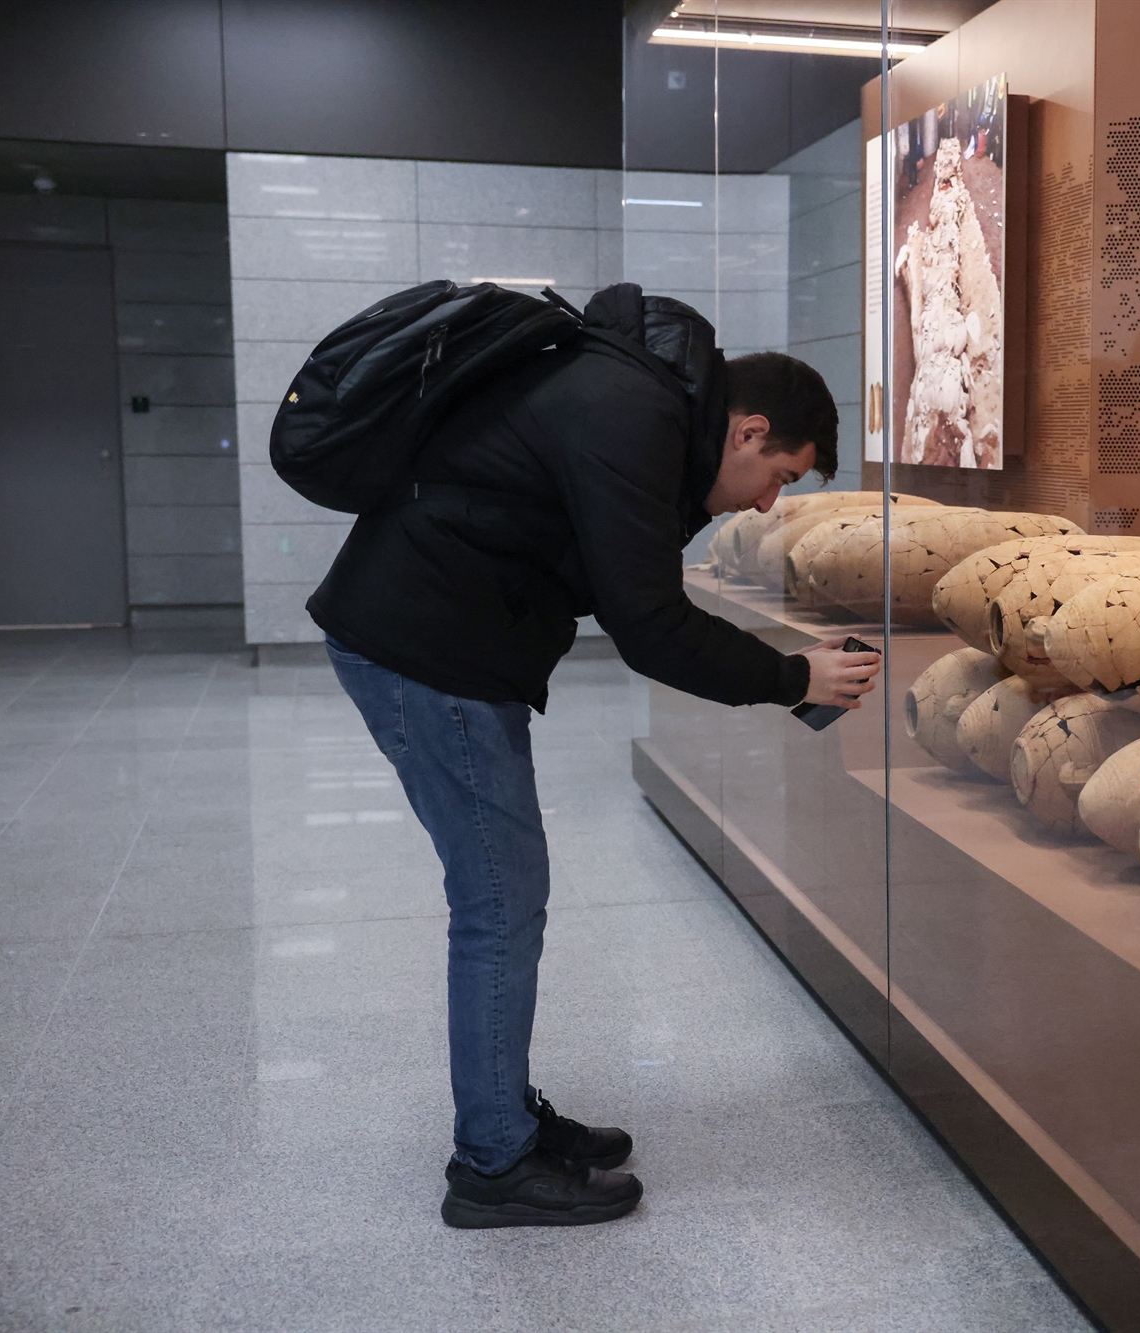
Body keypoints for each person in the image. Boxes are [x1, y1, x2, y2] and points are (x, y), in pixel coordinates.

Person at [305, 283, 882, 1229]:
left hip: (445, 642)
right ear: (747, 430)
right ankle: (491, 1164)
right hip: (425, 649)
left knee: (506, 894)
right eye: (782, 474)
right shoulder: (634, 414)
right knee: (498, 901)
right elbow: (648, 624)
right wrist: (791, 679)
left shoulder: (636, 400)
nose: (773, 501)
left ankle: (506, 1119)